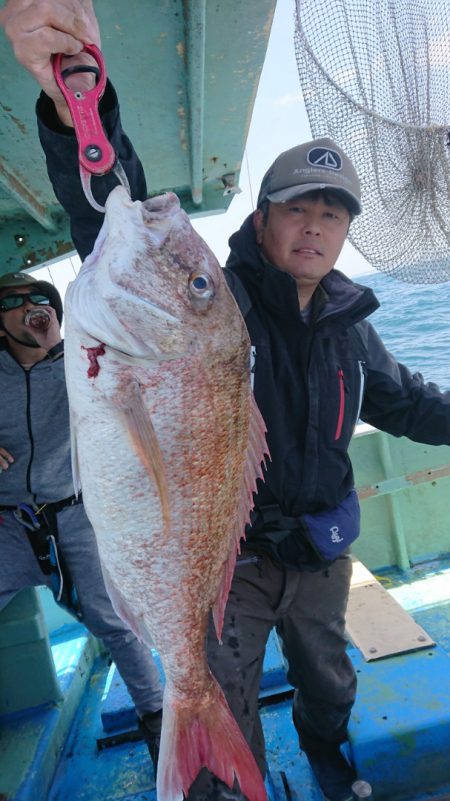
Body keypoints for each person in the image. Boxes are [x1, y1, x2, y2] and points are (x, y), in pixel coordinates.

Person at [3, 3, 450, 800]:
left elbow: (413, 405)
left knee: (331, 681)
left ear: (346, 233)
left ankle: (324, 747)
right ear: (265, 216)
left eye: (333, 213)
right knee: (220, 692)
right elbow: (109, 205)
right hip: (225, 560)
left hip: (320, 551)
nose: (315, 227)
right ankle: (214, 782)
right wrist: (81, 109)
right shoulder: (219, 304)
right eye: (298, 207)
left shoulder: (351, 325)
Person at [0, 270, 163, 773]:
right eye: (15, 303)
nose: (32, 307)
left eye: (40, 299)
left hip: (76, 515)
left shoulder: (85, 364)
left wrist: (60, 349)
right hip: (7, 525)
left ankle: (160, 723)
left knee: (115, 624)